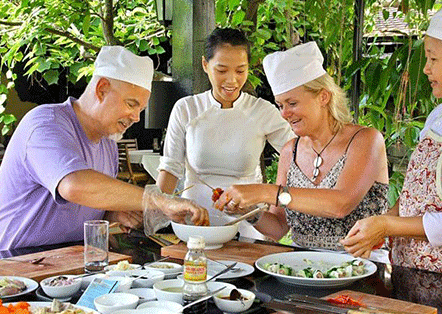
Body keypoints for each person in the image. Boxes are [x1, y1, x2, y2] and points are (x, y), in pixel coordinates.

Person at [0, 46, 209, 250]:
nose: (136, 118)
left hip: (72, 260)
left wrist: (111, 214)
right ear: (101, 89)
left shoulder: (109, 143)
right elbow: (74, 185)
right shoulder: (45, 123)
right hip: (16, 263)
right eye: (131, 104)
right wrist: (159, 201)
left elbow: (86, 202)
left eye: (141, 109)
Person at [341, 1, 442, 281]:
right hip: (414, 272)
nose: (426, 69)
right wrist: (380, 227)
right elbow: (414, 196)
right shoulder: (440, 114)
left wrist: (388, 225)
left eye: (433, 59)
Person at [214, 41, 389, 249]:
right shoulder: (291, 150)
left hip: (360, 267)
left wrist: (265, 192)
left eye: (292, 103)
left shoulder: (365, 140)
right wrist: (247, 212)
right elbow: (278, 228)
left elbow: (340, 205)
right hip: (300, 265)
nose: (284, 114)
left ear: (323, 97)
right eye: (280, 105)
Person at [156, 28, 294, 239]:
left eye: (240, 71)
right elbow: (170, 170)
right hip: (195, 224)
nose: (231, 80)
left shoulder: (262, 111)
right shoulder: (186, 109)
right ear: (205, 65)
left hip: (247, 224)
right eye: (221, 70)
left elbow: (298, 153)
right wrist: (155, 213)